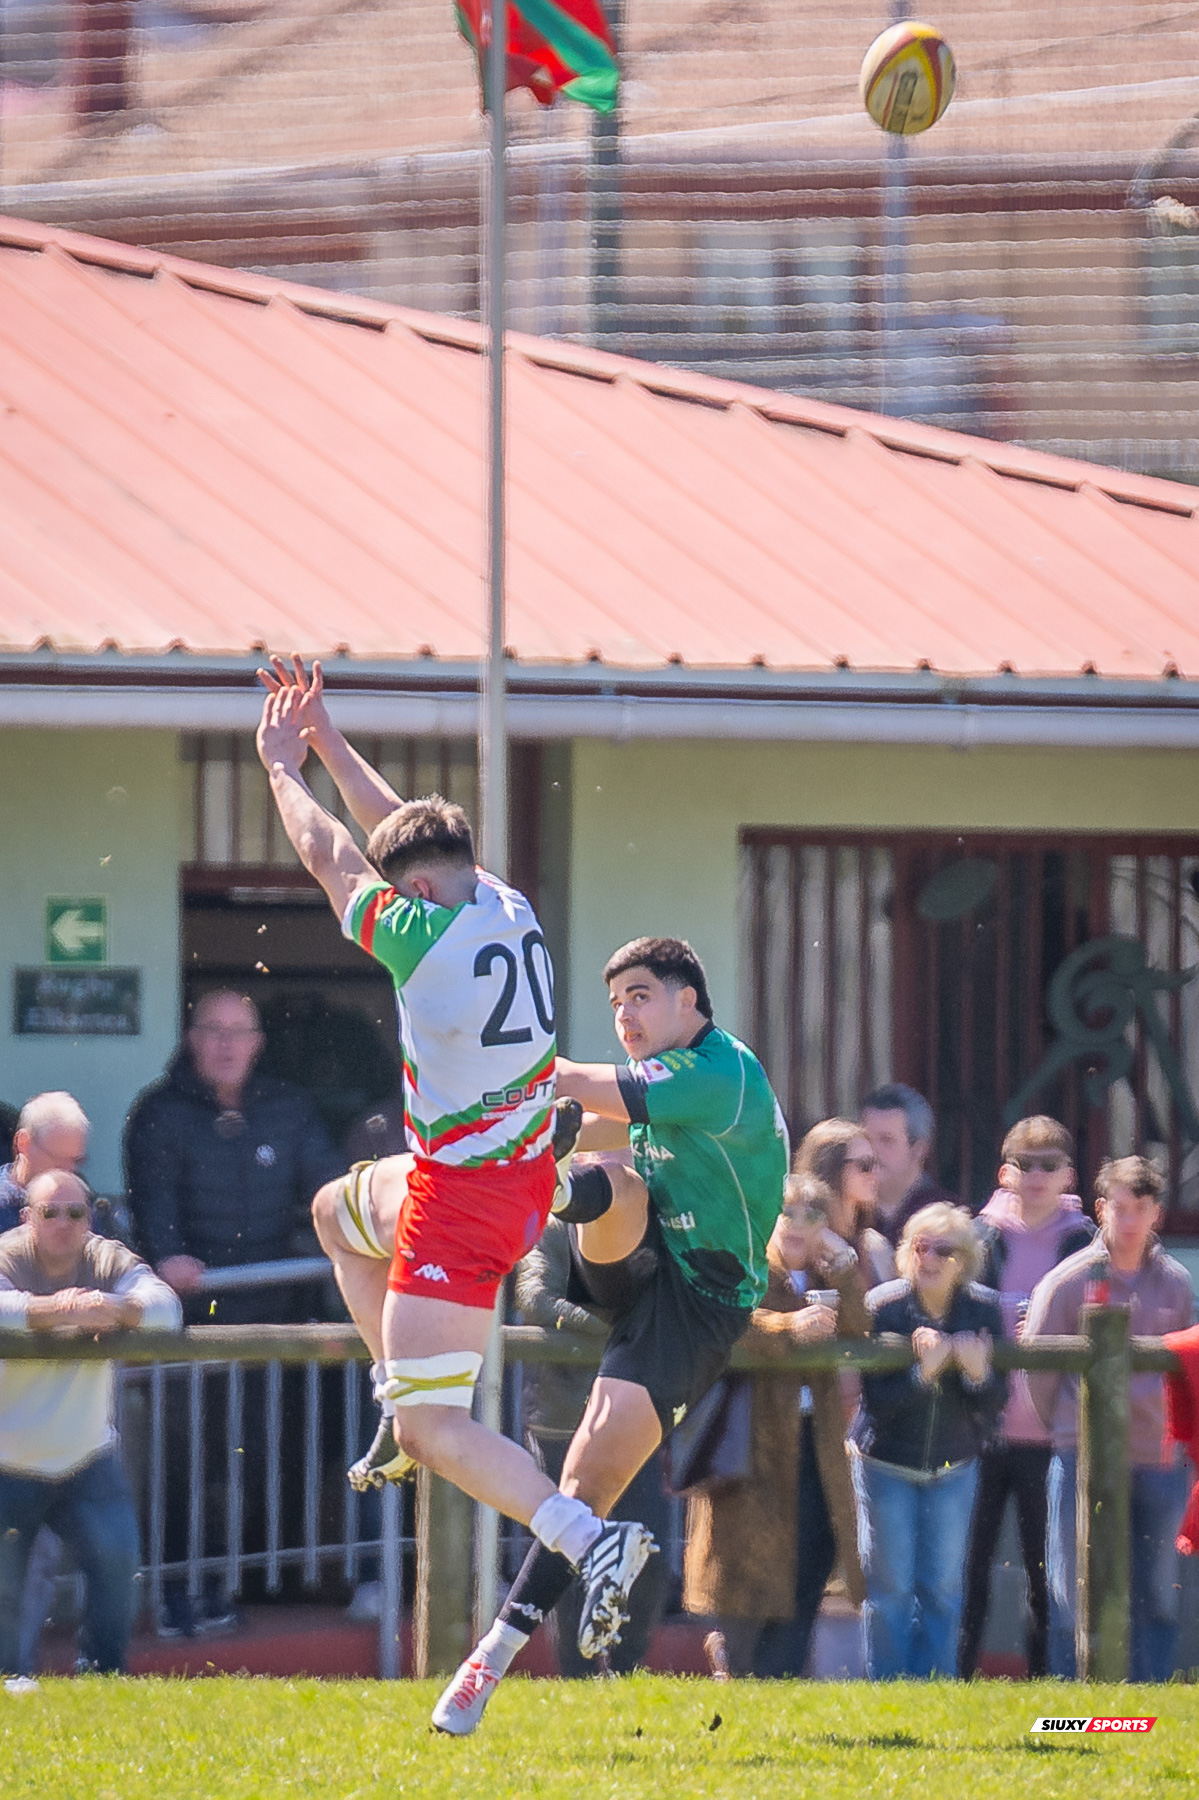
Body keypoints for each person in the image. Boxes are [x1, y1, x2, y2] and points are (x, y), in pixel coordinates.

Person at [255, 655, 650, 1678]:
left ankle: (579, 1535)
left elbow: (335, 857)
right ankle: (396, 1390)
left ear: (416, 893)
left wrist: (280, 770)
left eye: (403, 890)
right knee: (335, 1214)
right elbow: (397, 839)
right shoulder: (502, 903)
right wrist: (329, 738)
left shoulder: (420, 937)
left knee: (442, 1430)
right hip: (511, 1175)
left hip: (463, 1202)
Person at [434, 933, 789, 1734]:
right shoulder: (654, 1091)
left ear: (687, 1001)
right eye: (615, 1003)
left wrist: (498, 1057)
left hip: (699, 1307)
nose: (624, 1013)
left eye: (640, 995)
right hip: (634, 1267)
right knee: (617, 1182)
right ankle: (553, 1186)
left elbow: (574, 1084)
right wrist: (492, 1130)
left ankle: (483, 1667)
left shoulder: (720, 1070)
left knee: (581, 1489)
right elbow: (591, 1113)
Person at [685, 1173, 868, 1678]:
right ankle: (736, 1674)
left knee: (810, 1562)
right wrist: (787, 1326)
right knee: (743, 1575)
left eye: (813, 1216)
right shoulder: (744, 1264)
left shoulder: (829, 1276)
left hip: (814, 1445)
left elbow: (860, 1324)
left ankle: (781, 1683)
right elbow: (726, 1321)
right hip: (749, 1447)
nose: (797, 1224)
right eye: (786, 1212)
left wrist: (846, 1269)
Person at [0, 1170, 181, 1678]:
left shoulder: (105, 1257)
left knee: (118, 1565)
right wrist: (57, 1310)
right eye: (49, 1212)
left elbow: (167, 1309)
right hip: (6, 1460)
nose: (63, 1223)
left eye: (75, 1212)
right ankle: (9, 1680)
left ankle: (104, 1676)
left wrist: (114, 1307)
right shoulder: (7, 1255)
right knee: (4, 1589)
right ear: (26, 1218)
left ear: (90, 1217)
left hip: (86, 1457)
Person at [1024, 1155, 1194, 1680]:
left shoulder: (1177, 1284)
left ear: (1156, 1214)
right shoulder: (1068, 1281)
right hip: (1082, 1454)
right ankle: (1070, 1717)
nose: (1128, 1220)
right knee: (1072, 1591)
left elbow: (1190, 1368)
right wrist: (1072, 1427)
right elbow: (1038, 1370)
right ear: (1100, 1209)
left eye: (1140, 1208)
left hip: (1160, 1460)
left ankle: (1144, 1713)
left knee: (1157, 1595)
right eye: (1119, 1208)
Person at [958, 1115, 1095, 1679]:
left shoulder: (1087, 1240)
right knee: (968, 1570)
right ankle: (953, 1686)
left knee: (1049, 1577)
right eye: (1024, 1164)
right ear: (1004, 1172)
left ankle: (1047, 1691)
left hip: (1053, 1433)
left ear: (1068, 1174)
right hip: (979, 1429)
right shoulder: (974, 1235)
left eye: (1049, 1164)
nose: (1036, 1176)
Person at [851, 1202, 1006, 1679]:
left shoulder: (982, 1308)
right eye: (921, 1246)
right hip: (886, 1465)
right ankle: (888, 1692)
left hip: (953, 1466)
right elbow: (877, 1403)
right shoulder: (885, 1307)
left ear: (966, 1260)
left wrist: (980, 1376)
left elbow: (994, 1401)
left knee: (942, 1587)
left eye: (945, 1250)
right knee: (891, 1589)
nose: (931, 1259)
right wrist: (924, 1373)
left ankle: (936, 1689)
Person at [124, 988, 342, 1326]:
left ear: (257, 1042)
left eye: (239, 1032)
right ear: (192, 1039)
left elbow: (329, 1186)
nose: (227, 1044)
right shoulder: (158, 1113)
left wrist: (359, 1232)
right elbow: (153, 1196)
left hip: (279, 1303)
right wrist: (166, 1255)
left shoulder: (290, 1109)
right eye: (214, 1030)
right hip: (195, 1308)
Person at [515, 1215, 670, 1676]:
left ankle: (625, 1668)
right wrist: (613, 1332)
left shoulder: (651, 1222)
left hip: (631, 1414)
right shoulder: (556, 1226)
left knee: (648, 1548)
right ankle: (576, 1678)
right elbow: (533, 1298)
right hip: (564, 1418)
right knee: (567, 1557)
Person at [0, 1093, 93, 1674]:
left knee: (31, 1547)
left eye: (77, 1164)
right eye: (58, 1159)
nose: (67, 1176)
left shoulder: (77, 1209)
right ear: (22, 1146)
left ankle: (14, 1671)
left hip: (44, 1412)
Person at [792, 1118, 896, 1287]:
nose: (876, 1174)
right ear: (831, 1168)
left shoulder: (876, 1248)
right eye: (865, 1165)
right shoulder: (798, 1240)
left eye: (876, 1164)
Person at [860, 1083, 958, 1248]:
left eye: (886, 1140)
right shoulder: (847, 1215)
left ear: (919, 1149)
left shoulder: (951, 1218)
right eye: (865, 1138)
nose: (872, 1150)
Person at [0, 1093, 90, 1235]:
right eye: (57, 1158)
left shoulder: (83, 1211)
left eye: (75, 1161)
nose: (67, 1172)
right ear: (23, 1144)